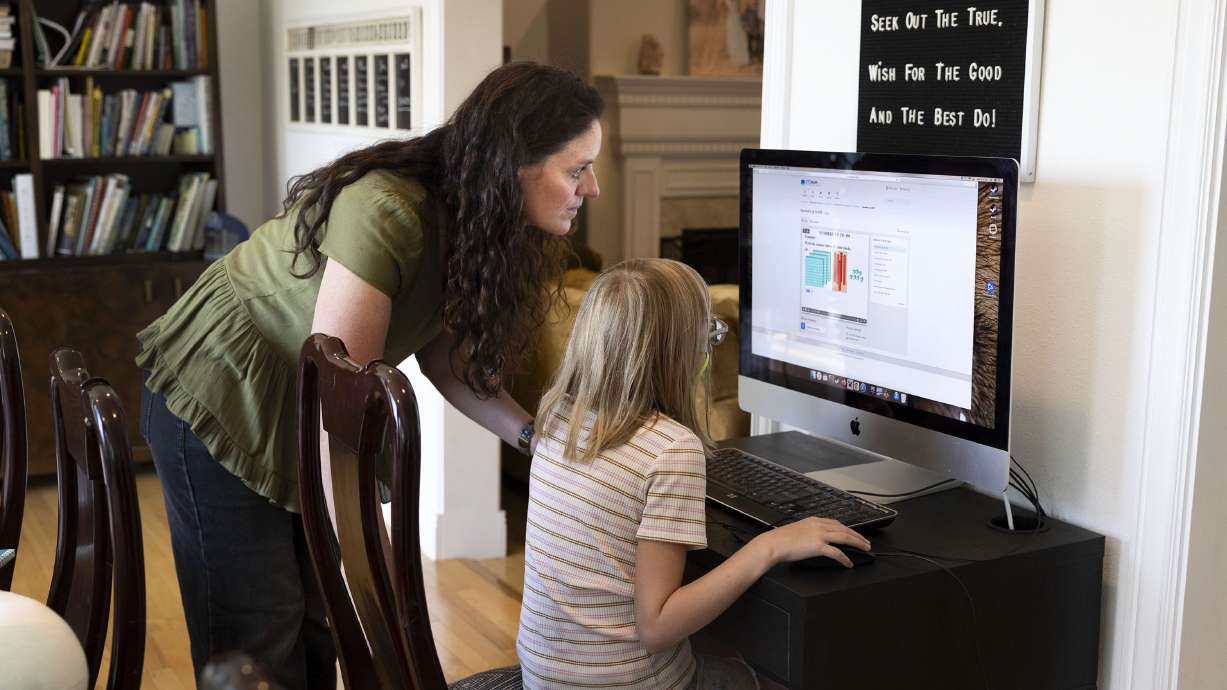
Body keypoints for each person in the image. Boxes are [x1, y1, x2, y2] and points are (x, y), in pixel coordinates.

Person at [136, 62, 603, 688]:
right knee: (259, 634)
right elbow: (341, 427)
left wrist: (535, 438)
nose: (592, 188)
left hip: (302, 401)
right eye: (577, 169)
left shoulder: (474, 224)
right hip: (222, 384)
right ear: (514, 163)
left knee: (315, 629)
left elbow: (444, 355)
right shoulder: (388, 209)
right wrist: (386, 585)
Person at [517, 259, 873, 689]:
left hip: (544, 677)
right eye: (709, 334)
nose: (710, 348)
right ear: (681, 351)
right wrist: (769, 546)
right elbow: (658, 627)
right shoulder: (669, 449)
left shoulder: (559, 415)